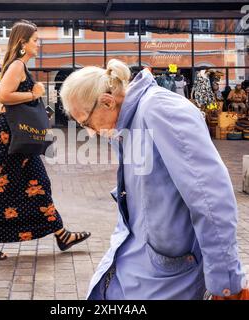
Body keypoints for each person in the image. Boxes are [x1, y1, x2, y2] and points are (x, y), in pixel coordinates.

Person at [60, 58, 248, 300]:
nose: (89, 132)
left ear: (107, 102)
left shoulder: (161, 110)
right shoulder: (127, 124)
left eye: (85, 122)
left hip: (167, 277)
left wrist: (226, 280)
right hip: (137, 268)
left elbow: (210, 197)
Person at [0, 20, 91, 260]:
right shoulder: (17, 65)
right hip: (10, 138)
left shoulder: (21, 67)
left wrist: (34, 98)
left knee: (38, 184)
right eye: (35, 40)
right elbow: (3, 95)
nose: (39, 43)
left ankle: (60, 233)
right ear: (22, 43)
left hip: (18, 137)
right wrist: (33, 93)